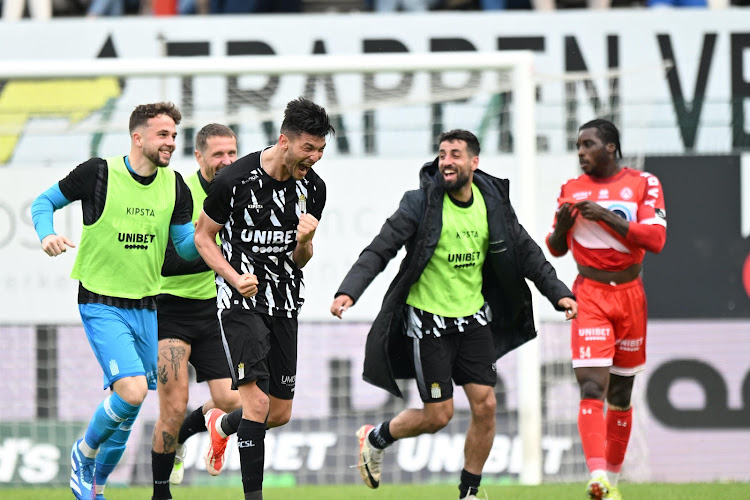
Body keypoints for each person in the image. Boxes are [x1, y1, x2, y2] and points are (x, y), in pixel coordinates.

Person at [330, 129, 578, 500]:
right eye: (443, 154)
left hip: (474, 321)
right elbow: (380, 248)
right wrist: (349, 290)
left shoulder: (492, 202)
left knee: (486, 405)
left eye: (456, 154)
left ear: (474, 163)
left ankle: (469, 493)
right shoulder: (420, 204)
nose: (447, 161)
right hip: (429, 326)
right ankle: (376, 437)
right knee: (438, 417)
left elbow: (526, 252)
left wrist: (558, 293)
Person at [30, 102, 197, 500]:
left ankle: (97, 488)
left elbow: (187, 248)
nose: (171, 142)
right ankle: (81, 454)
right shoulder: (99, 172)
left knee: (130, 410)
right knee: (133, 391)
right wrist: (46, 234)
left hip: (146, 308)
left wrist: (216, 237)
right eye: (163, 134)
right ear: (137, 137)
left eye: (174, 135)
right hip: (101, 302)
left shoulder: (175, 186)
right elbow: (43, 203)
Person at [194, 96, 334, 500]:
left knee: (279, 413)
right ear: (284, 141)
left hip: (285, 301)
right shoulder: (234, 180)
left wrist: (306, 241)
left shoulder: (314, 188)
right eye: (308, 148)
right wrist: (234, 278)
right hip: (240, 302)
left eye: (321, 149)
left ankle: (219, 427)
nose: (315, 157)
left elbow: (300, 260)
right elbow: (204, 237)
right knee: (256, 406)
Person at [545, 119, 667, 500]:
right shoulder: (571, 189)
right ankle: (596, 476)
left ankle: (612, 483)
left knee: (621, 393)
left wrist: (607, 217)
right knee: (592, 385)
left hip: (630, 295)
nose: (580, 152)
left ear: (611, 147)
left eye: (588, 144)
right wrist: (562, 228)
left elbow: (657, 239)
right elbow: (556, 248)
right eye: (578, 145)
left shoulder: (645, 183)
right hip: (591, 295)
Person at [151, 123, 242, 500]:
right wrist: (214, 253)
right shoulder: (179, 191)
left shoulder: (242, 190)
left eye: (232, 153)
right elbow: (166, 259)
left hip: (211, 310)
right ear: (199, 157)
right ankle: (160, 492)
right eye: (218, 154)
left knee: (234, 402)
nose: (227, 161)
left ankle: (201, 430)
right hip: (169, 310)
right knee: (173, 407)